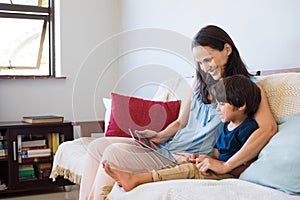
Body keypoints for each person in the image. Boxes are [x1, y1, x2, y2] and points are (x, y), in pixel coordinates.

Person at [79, 25, 277, 200]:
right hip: (169, 147)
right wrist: (157, 136)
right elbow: (181, 123)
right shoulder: (198, 83)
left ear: (227, 49)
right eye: (200, 62)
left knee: (112, 153)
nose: (205, 68)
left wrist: (227, 165)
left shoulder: (247, 89)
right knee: (98, 146)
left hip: (187, 157)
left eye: (208, 59)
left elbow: (268, 129)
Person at [102, 74, 262, 192]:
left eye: (221, 104)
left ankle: (136, 178)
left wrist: (224, 167)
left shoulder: (248, 129)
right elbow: (218, 152)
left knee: (190, 170)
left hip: (228, 174)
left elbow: (248, 165)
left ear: (241, 105)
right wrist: (198, 157)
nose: (217, 109)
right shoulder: (227, 126)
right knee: (187, 163)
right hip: (215, 167)